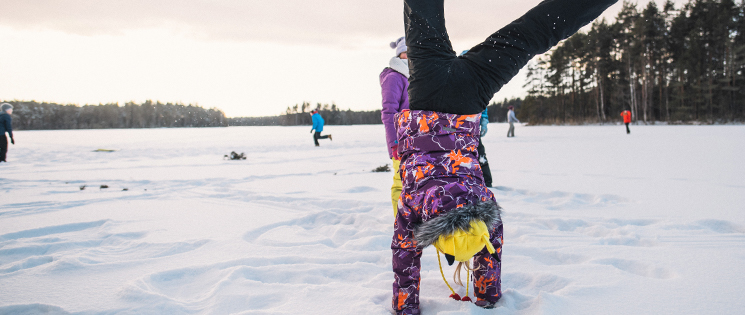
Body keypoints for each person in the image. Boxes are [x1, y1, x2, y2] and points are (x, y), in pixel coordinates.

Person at [391, 0, 617, 313]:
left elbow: (490, 253)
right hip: (427, 88)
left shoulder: (486, 209)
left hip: (471, 92)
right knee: (422, 13)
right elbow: (404, 260)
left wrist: (487, 296)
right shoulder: (415, 204)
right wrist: (405, 308)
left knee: (533, 33)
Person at [381, 36, 410, 216]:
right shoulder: (394, 76)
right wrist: (394, 142)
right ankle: (400, 220)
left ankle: (414, 217)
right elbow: (388, 112)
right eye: (408, 52)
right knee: (401, 181)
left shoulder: (417, 75)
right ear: (400, 54)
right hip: (401, 139)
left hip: (419, 137)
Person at [478, 108, 493, 187]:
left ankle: (487, 181)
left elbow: (483, 106)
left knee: (480, 154)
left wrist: (484, 120)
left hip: (472, 128)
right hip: (453, 126)